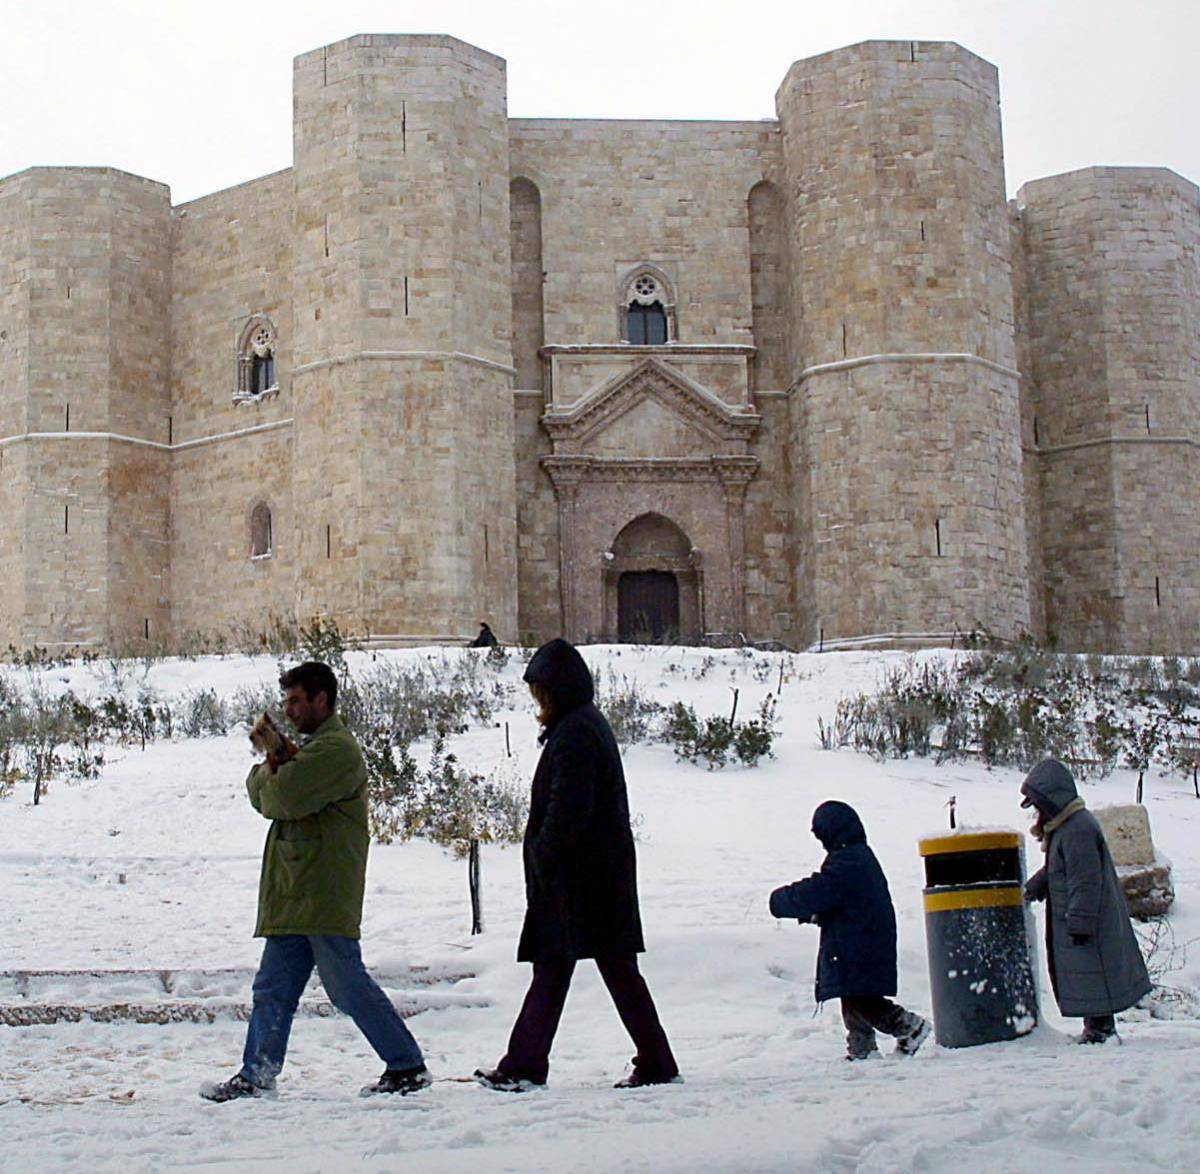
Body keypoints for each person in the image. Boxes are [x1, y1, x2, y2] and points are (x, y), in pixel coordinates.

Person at [201, 661, 430, 1102]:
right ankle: (257, 1073)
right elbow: (260, 788)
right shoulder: (310, 750)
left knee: (347, 987)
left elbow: (280, 797)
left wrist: (273, 771)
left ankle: (406, 1064)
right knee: (272, 988)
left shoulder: (335, 751)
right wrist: (276, 768)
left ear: (321, 699)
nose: (288, 711)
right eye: (285, 702)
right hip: (296, 890)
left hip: (322, 892)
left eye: (296, 701)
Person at [474, 638, 679, 1091]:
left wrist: (545, 855)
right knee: (596, 970)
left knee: (570, 969)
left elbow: (569, 808)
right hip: (594, 878)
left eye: (540, 691)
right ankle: (651, 1060)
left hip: (581, 881)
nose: (536, 701)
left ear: (556, 690)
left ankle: (526, 1066)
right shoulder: (580, 726)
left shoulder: (576, 733)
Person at [769, 800, 930, 1061]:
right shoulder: (856, 856)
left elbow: (819, 891)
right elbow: (843, 900)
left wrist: (779, 901)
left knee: (861, 999)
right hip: (862, 937)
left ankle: (909, 1026)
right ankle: (862, 1050)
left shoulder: (848, 861)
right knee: (854, 993)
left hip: (860, 941)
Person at [1020, 758, 1151, 1044]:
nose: (1036, 813)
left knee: (1095, 971)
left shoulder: (1076, 829)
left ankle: (1100, 1031)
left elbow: (1084, 880)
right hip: (1083, 917)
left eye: (1038, 805)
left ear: (1051, 799)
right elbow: (1059, 869)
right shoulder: (1068, 826)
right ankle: (1096, 1028)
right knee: (1089, 972)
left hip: (1087, 919)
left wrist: (1080, 922)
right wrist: (1032, 889)